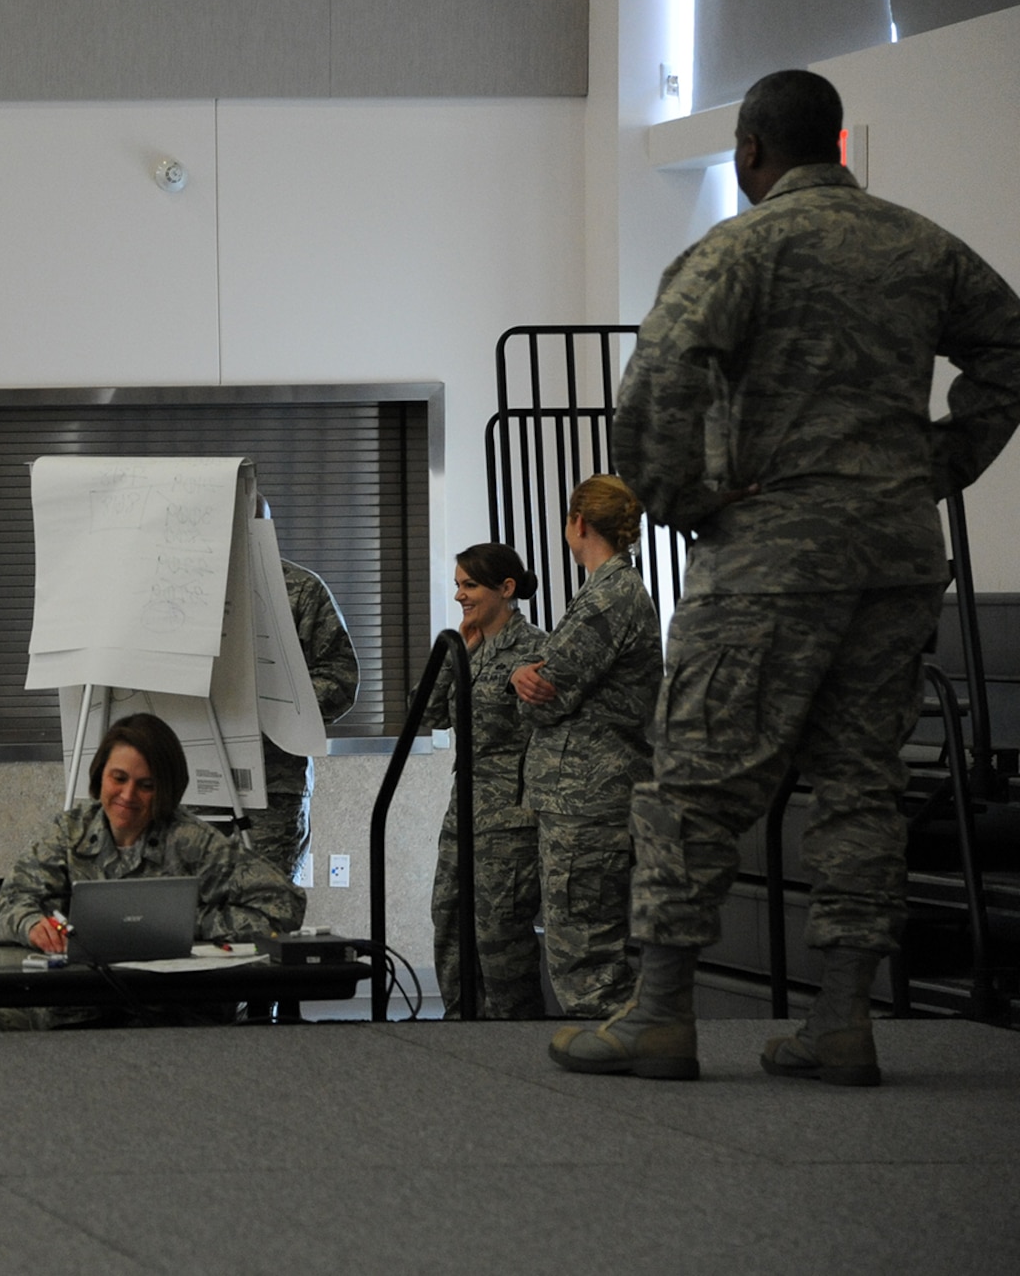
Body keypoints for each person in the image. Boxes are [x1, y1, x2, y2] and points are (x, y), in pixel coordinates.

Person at [551, 70, 1020, 1085]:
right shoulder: (920, 246)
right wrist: (935, 466)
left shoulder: (739, 247)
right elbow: (1009, 346)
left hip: (768, 560)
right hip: (894, 559)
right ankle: (841, 1021)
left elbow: (652, 379)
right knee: (861, 781)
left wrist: (680, 499)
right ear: (836, 147)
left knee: (690, 784)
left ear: (749, 151)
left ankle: (660, 1014)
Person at [0, 712, 305, 1030]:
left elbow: (283, 905)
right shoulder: (69, 831)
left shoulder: (192, 841)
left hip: (174, 1013)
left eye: (146, 785)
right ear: (99, 776)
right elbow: (12, 900)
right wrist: (31, 925)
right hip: (73, 1006)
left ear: (166, 788)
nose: (127, 796)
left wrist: (186, 923)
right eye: (118, 778)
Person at [510, 475, 662, 1017]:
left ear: (578, 523)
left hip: (590, 795)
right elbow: (547, 679)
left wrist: (525, 680)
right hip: (582, 793)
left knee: (587, 948)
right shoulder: (606, 590)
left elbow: (547, 695)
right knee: (581, 937)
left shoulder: (609, 597)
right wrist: (525, 674)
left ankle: (616, 1044)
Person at [428, 542, 548, 1019]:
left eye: (470, 585)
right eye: (458, 585)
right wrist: (461, 650)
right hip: (464, 814)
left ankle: (513, 1042)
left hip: (511, 821)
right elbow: (430, 712)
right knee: (449, 927)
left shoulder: (537, 650)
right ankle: (461, 1031)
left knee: (500, 943)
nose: (460, 595)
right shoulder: (465, 646)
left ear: (507, 588)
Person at [253, 551, 361, 880]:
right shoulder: (174, 584)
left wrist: (270, 705)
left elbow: (341, 679)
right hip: (184, 789)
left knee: (267, 908)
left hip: (271, 790)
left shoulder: (299, 589)